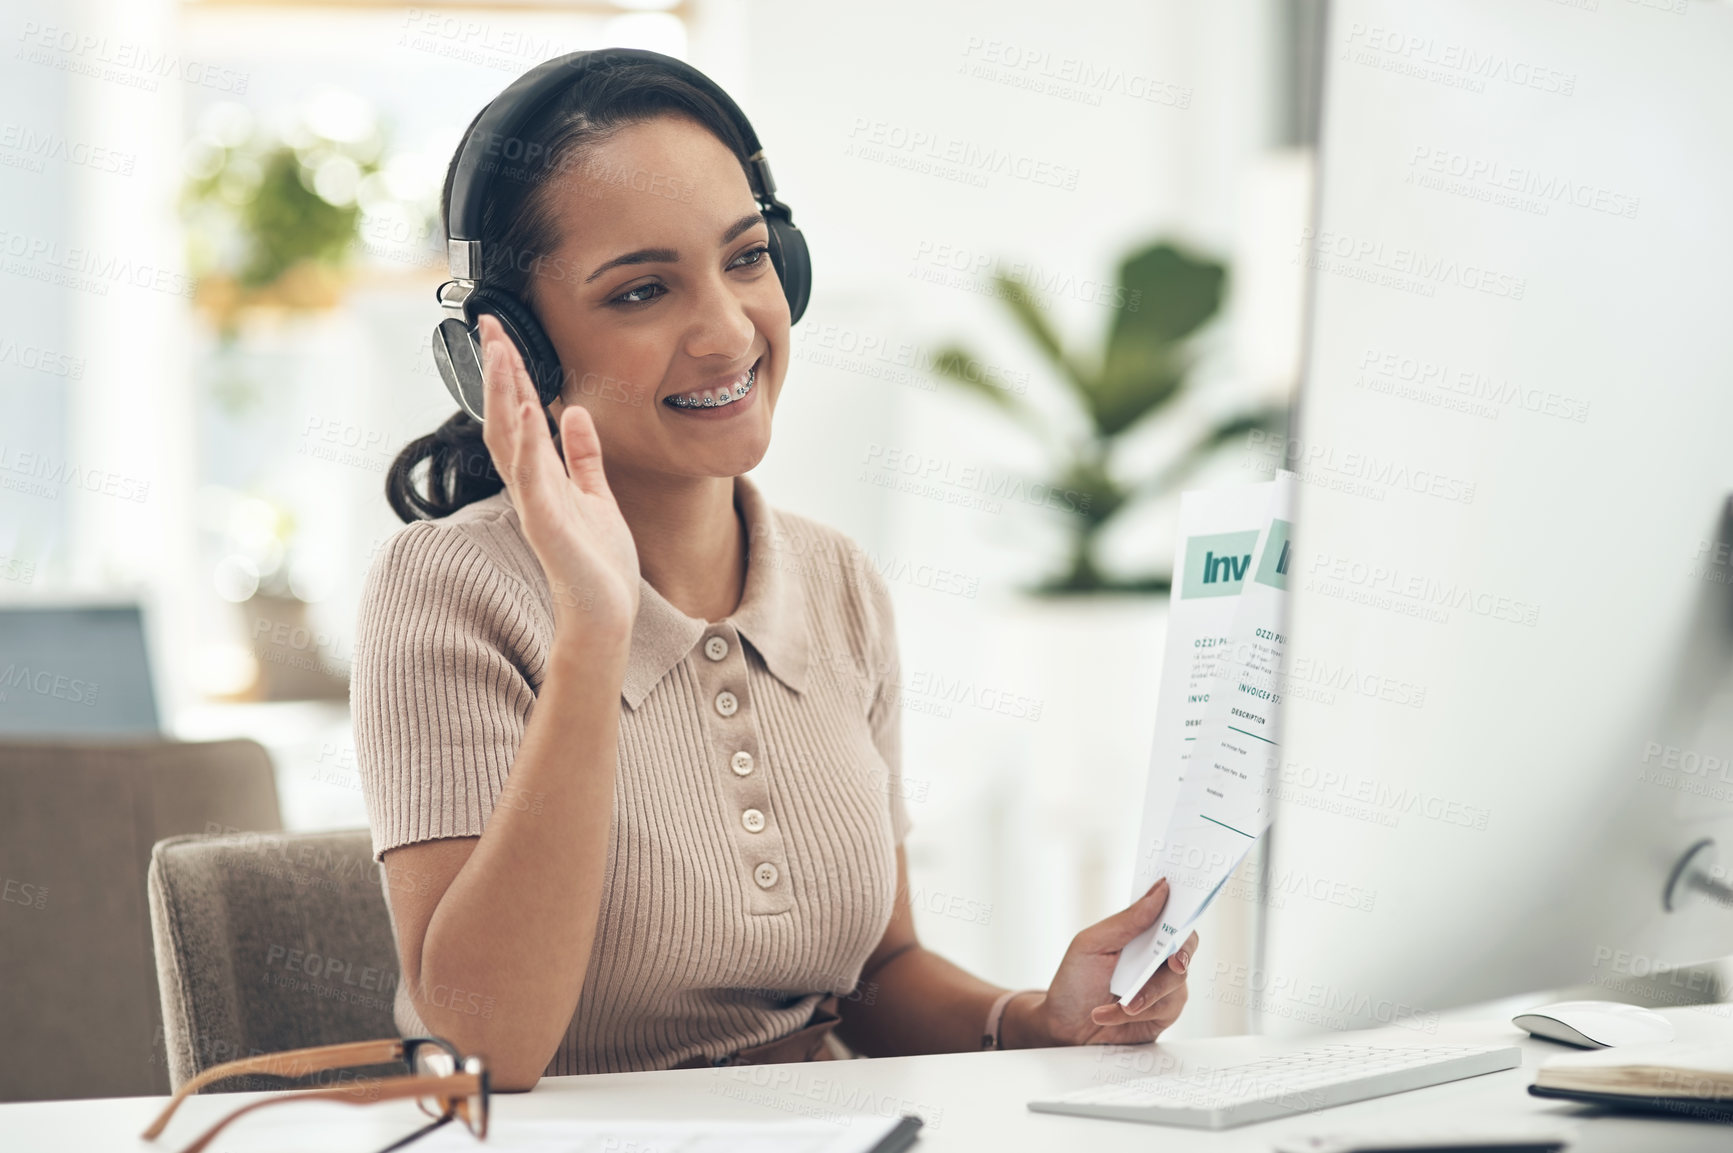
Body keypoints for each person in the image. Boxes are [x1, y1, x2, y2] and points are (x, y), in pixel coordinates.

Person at [355, 50, 1197, 1091]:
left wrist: (1030, 1019)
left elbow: (876, 974)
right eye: (642, 290)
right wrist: (591, 629)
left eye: (746, 259)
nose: (725, 331)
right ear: (515, 350)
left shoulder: (835, 579)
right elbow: (485, 1054)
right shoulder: (446, 591)